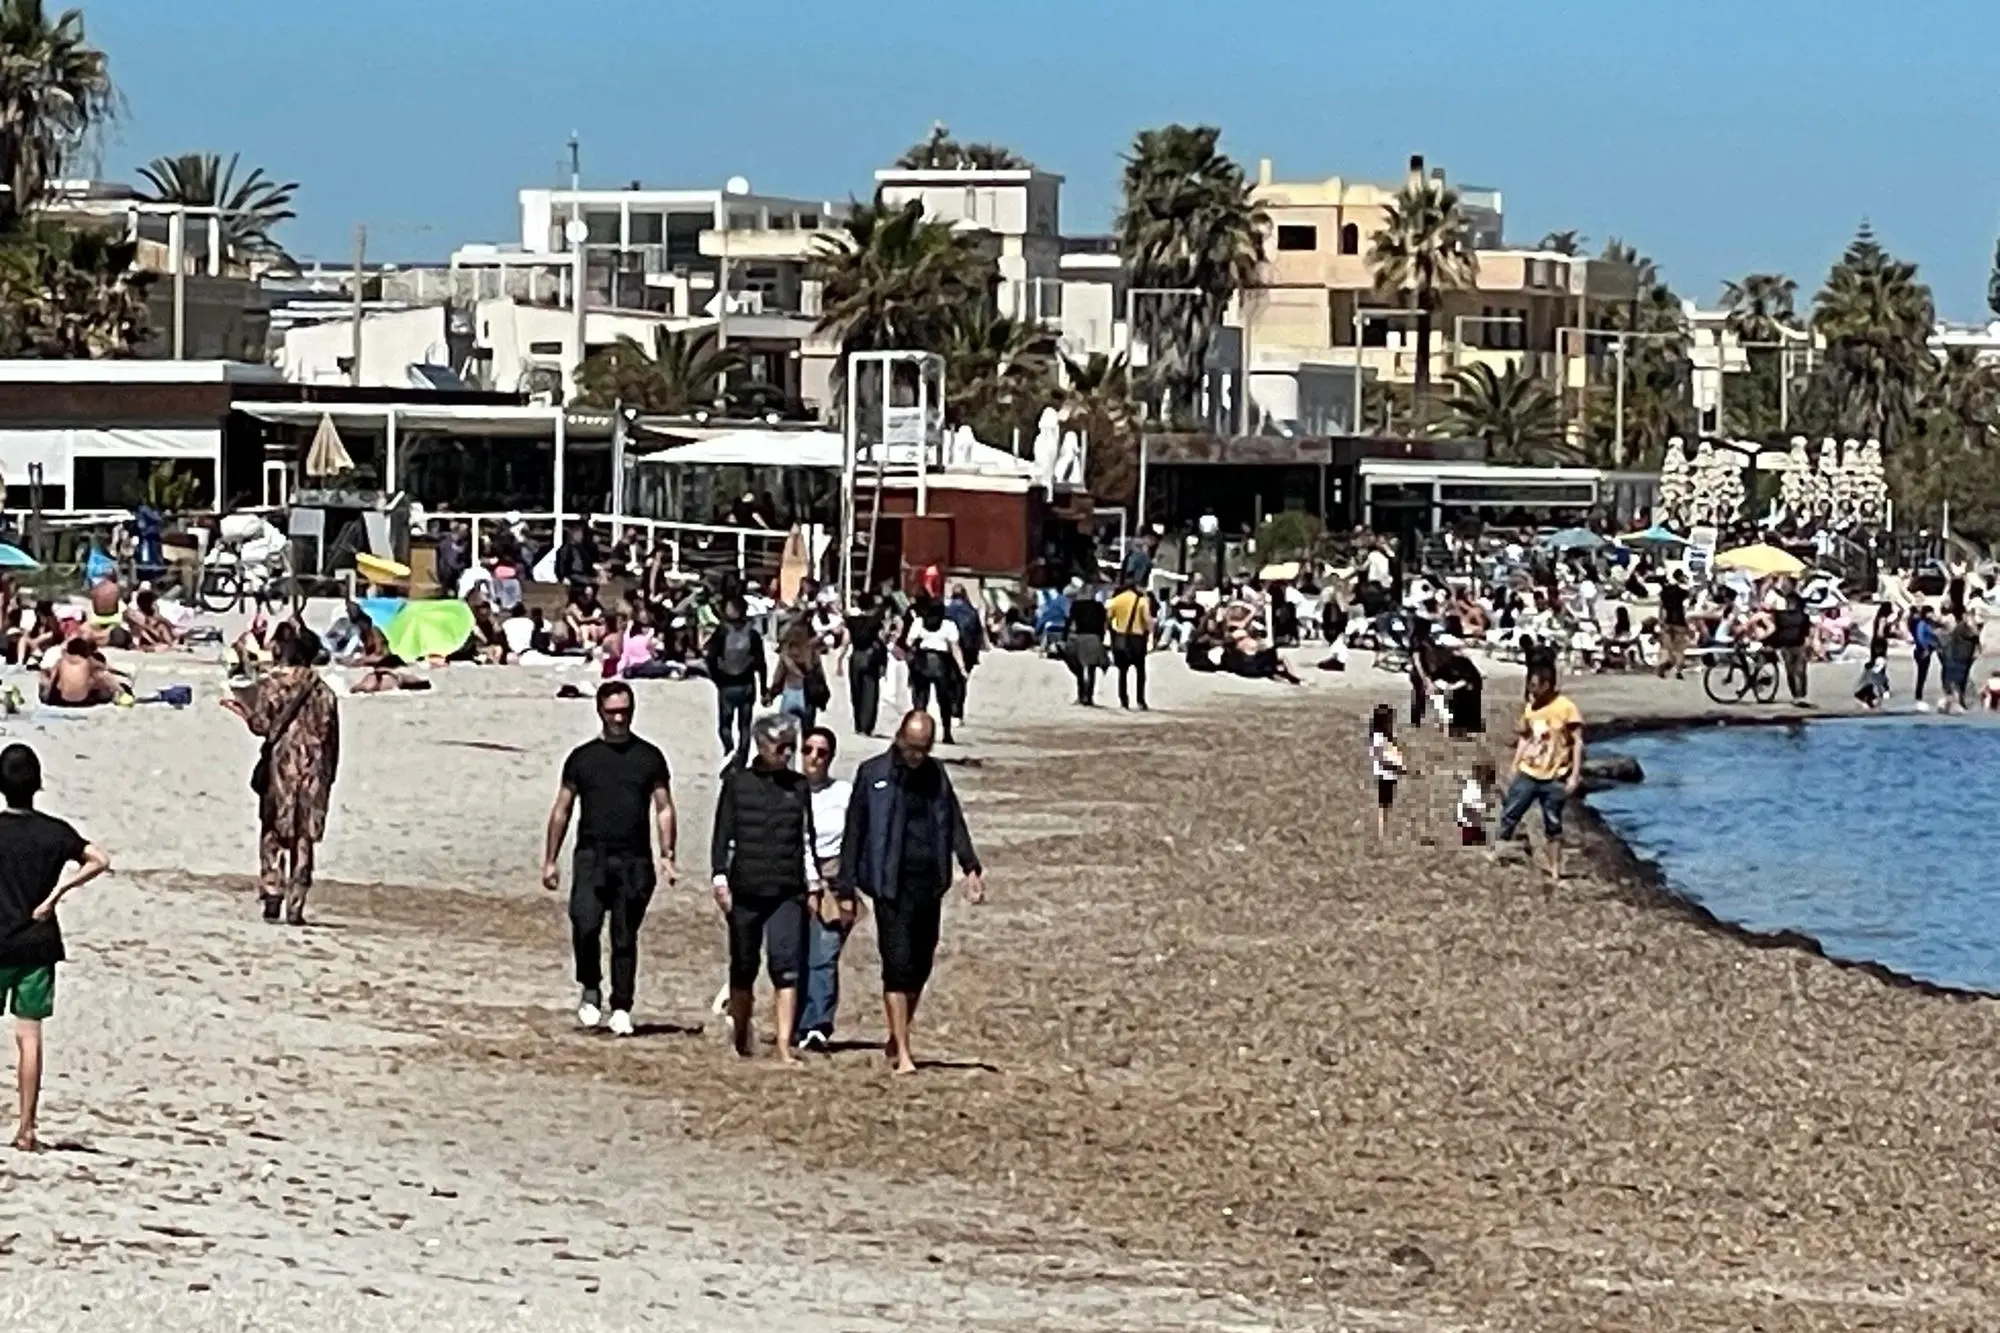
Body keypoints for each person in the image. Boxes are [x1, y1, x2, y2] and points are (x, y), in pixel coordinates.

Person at [835, 711, 984, 1074]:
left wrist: (970, 865)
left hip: (928, 882)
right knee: (897, 964)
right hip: (889, 885)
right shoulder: (873, 774)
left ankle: (897, 1032)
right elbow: (855, 830)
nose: (917, 755)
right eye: (913, 747)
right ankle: (902, 1051)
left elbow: (953, 820)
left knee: (921, 964)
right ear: (900, 738)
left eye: (924, 748)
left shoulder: (936, 775)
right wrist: (846, 884)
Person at [542, 681, 678, 1036]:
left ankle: (621, 1005)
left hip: (635, 859)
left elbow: (664, 807)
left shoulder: (649, 757)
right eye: (612, 711)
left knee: (624, 934)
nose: (619, 718)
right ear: (599, 711)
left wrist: (668, 853)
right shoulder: (582, 758)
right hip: (591, 856)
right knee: (584, 924)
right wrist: (550, 860)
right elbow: (562, 809)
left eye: (625, 711)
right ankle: (589, 986)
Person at [0, 744, 110, 1151]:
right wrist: (56, 894)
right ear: (38, 784)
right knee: (29, 1036)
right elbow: (99, 859)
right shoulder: (54, 832)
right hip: (37, 945)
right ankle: (27, 1128)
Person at [710, 714, 824, 1063]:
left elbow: (807, 839)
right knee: (743, 967)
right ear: (762, 746)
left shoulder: (798, 786)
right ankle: (741, 1032)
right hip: (745, 888)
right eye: (781, 747)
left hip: (787, 891)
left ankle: (784, 1046)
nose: (787, 753)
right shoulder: (737, 783)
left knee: (786, 965)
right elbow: (722, 835)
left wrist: (814, 885)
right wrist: (719, 878)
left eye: (791, 746)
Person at [221, 628, 339, 925]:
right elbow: (332, 742)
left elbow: (262, 725)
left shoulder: (274, 684)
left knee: (274, 827)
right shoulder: (325, 691)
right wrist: (328, 777)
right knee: (304, 836)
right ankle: (297, 903)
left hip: (283, 764)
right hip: (315, 767)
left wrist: (243, 712)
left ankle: (272, 891)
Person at [1495, 663, 1585, 882]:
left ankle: (1554, 869)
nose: (1531, 689)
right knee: (1511, 812)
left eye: (1535, 685)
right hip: (1529, 771)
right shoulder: (1531, 707)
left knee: (1553, 823)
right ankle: (1500, 853)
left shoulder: (1566, 708)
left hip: (1554, 776)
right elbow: (1526, 736)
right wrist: (1515, 763)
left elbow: (1578, 742)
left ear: (1547, 684)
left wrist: (1574, 775)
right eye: (1529, 685)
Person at [795, 726, 854, 1051]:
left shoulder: (843, 793)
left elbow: (858, 836)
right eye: (808, 750)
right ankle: (794, 1021)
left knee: (824, 953)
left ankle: (817, 1024)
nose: (814, 758)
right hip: (794, 881)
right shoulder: (789, 790)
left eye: (822, 752)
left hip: (832, 879)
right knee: (794, 953)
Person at [704, 596, 766, 768]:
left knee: (725, 724)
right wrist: (764, 688)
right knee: (744, 725)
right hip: (747, 684)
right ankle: (742, 756)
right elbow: (761, 663)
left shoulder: (722, 631)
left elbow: (710, 657)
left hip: (726, 684)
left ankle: (730, 750)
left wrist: (715, 678)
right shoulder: (752, 633)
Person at [904, 599, 966, 744]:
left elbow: (909, 641)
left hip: (922, 662)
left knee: (920, 700)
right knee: (944, 701)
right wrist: (962, 668)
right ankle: (946, 733)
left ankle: (919, 733)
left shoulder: (919, 622)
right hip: (942, 663)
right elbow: (955, 648)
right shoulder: (948, 625)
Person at [766, 618, 824, 731]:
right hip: (808, 696)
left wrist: (771, 694)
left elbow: (779, 676)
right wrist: (822, 698)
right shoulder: (812, 652)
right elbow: (819, 676)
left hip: (791, 692)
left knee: (787, 731)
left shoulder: (787, 653)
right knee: (807, 731)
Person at [1105, 579, 1154, 711]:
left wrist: (1111, 634)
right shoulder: (1142, 601)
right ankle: (1140, 700)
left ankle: (1124, 700)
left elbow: (1108, 619)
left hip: (1121, 638)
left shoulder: (1116, 600)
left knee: (1122, 672)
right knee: (1140, 671)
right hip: (1137, 640)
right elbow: (1148, 621)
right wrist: (1151, 637)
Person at [844, 592, 888, 736]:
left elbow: (846, 640)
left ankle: (858, 725)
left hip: (855, 656)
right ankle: (866, 726)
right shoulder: (875, 621)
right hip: (871, 657)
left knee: (856, 691)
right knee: (870, 692)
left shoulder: (851, 620)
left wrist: (839, 659)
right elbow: (882, 638)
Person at [1763, 589, 1814, 706]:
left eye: (1793, 601)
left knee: (1800, 671)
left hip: (1799, 644)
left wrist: (1808, 642)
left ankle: (1802, 695)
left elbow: (1807, 629)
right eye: (1789, 601)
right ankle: (1795, 695)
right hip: (1785, 646)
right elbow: (1775, 627)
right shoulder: (1780, 614)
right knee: (1790, 671)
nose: (1791, 603)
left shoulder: (1802, 615)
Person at [40, 638, 122, 708]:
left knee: (49, 675)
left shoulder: (60, 661)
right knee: (100, 675)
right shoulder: (88, 661)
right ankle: (122, 692)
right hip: (83, 701)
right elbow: (105, 668)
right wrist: (121, 673)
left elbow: (52, 677)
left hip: (61, 700)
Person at [944, 586, 984, 721]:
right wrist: (975, 654)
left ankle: (948, 708)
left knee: (948, 680)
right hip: (968, 651)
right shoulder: (972, 612)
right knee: (961, 682)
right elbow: (978, 635)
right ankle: (957, 711)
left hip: (949, 650)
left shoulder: (947, 611)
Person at [1064, 585, 1109, 706]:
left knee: (1079, 668)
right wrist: (1101, 639)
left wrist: (1064, 638)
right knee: (1092, 668)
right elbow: (1104, 624)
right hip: (1095, 637)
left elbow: (1069, 622)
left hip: (1080, 637)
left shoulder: (1076, 606)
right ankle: (1089, 697)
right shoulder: (1099, 607)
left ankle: (1081, 694)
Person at [1430, 639, 1484, 737]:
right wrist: (1444, 685)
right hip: (1453, 687)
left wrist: (1452, 687)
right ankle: (1450, 721)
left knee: (1461, 701)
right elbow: (1436, 676)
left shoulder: (1464, 662)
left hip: (1467, 688)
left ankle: (1465, 724)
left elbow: (1468, 679)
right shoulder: (1444, 662)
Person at [1368, 704, 1403, 839]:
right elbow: (1383, 757)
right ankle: (1382, 832)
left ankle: (1386, 830)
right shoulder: (1378, 738)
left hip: (1390, 773)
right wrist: (1398, 766)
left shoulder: (1385, 736)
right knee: (1383, 805)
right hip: (1385, 773)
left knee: (1388, 804)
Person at [1938, 611, 1981, 714]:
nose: (1973, 619)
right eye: (1971, 617)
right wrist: (1973, 626)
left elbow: (1976, 641)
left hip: (1965, 659)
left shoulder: (1967, 628)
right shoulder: (1962, 628)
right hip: (1958, 659)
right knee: (1957, 683)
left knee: (1961, 683)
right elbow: (1974, 634)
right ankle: (1954, 704)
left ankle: (1957, 703)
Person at [1656, 571, 1692, 679]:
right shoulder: (1682, 591)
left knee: (1667, 647)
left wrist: (1661, 620)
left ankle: (1663, 664)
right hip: (1679, 622)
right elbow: (1689, 598)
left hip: (1667, 621)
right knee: (1679, 649)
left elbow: (1661, 607)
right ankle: (1678, 670)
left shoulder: (1664, 591)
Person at [1910, 605, 1938, 704]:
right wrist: (1926, 648)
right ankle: (1918, 695)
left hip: (1927, 650)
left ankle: (1919, 694)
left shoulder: (1929, 623)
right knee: (1921, 674)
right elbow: (1920, 637)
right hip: (1921, 650)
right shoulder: (1922, 623)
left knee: (1923, 673)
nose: (1933, 614)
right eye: (1931, 612)